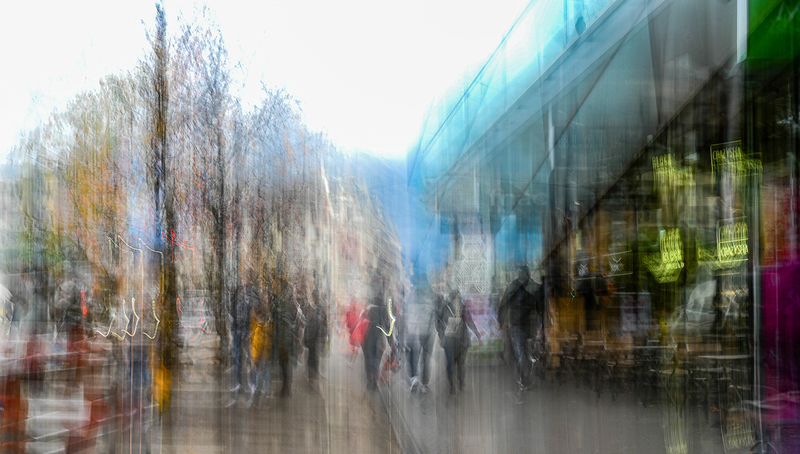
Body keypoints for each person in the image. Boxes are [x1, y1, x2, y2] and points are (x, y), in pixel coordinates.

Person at [497, 265, 544, 388]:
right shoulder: (533, 286)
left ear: (519, 274)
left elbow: (504, 303)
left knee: (520, 349)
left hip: (517, 322)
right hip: (530, 321)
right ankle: (532, 367)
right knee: (531, 347)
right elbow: (540, 303)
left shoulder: (513, 286)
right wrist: (543, 321)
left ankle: (525, 377)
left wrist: (500, 320)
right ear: (528, 274)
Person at [438, 289, 482, 394]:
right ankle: (461, 383)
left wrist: (441, 336)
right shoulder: (463, 308)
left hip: (449, 341)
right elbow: (470, 322)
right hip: (462, 341)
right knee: (461, 364)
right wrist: (478, 336)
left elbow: (438, 323)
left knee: (450, 364)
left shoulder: (445, 308)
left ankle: (452, 386)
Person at [404, 273, 442, 394]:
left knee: (412, 356)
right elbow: (439, 312)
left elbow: (403, 312)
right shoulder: (433, 295)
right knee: (426, 358)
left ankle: (414, 378)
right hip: (429, 331)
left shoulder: (410, 295)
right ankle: (425, 384)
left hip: (414, 330)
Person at [271, 276, 303, 397]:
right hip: (282, 337)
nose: (273, 286)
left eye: (275, 284)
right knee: (283, 364)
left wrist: (283, 343)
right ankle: (285, 389)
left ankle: (286, 390)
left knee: (285, 364)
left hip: (285, 338)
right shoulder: (282, 299)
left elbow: (288, 323)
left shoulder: (286, 301)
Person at [362, 295, 391, 391]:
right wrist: (390, 342)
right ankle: (375, 379)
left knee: (369, 357)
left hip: (368, 337)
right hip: (379, 337)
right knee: (377, 359)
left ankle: (370, 379)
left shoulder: (368, 310)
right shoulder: (384, 311)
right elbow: (387, 326)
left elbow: (362, 324)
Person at [303, 289, 328, 382]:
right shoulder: (312, 307)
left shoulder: (316, 306)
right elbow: (309, 320)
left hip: (314, 334)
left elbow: (322, 319)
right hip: (312, 335)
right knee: (311, 355)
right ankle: (311, 374)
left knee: (314, 354)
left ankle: (313, 373)